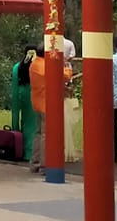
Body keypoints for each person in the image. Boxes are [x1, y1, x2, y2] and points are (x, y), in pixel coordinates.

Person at [28, 43, 74, 173]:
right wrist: (67, 66)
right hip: (46, 103)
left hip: (37, 101)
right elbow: (65, 76)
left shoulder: (35, 63)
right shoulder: (45, 66)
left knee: (38, 133)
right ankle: (44, 165)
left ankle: (35, 162)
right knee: (45, 135)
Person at [10, 49, 39, 167]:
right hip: (34, 95)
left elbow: (14, 86)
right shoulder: (37, 67)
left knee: (24, 122)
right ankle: (31, 152)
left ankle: (20, 146)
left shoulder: (17, 67)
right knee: (34, 125)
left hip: (21, 95)